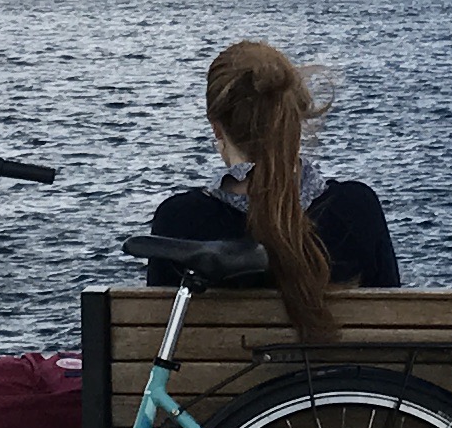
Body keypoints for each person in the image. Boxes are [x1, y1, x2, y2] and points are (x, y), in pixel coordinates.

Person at [146, 37, 398, 341]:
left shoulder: (179, 220)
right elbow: (393, 322)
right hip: (347, 372)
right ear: (295, 119)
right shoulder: (356, 208)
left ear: (216, 126)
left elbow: (157, 337)